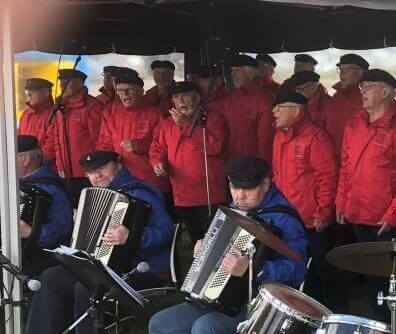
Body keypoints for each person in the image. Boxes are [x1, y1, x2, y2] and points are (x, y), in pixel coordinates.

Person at [149, 156, 307, 334]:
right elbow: (214, 252)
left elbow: (298, 268)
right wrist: (202, 248)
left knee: (204, 329)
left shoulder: (283, 217)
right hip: (215, 297)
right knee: (161, 325)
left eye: (248, 189)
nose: (241, 196)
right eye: (235, 188)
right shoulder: (231, 211)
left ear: (267, 184)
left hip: (259, 305)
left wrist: (254, 269)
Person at [22, 150, 175, 334]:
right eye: (91, 173)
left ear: (118, 165)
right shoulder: (91, 195)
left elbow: (166, 230)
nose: (97, 176)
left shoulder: (142, 193)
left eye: (102, 169)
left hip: (136, 267)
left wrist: (133, 237)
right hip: (98, 264)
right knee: (51, 276)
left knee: (87, 286)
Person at [335, 68, 396, 334]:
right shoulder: (354, 122)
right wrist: (341, 201)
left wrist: (394, 214)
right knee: (372, 276)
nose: (362, 90)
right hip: (357, 214)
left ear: (386, 91)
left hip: (385, 219)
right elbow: (345, 167)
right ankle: (381, 330)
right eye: (362, 86)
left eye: (368, 86)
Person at [271, 88, 339, 309]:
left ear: (295, 110)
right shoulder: (279, 136)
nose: (274, 112)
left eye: (279, 108)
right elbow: (277, 176)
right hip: (287, 217)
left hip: (311, 217)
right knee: (297, 267)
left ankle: (336, 311)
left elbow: (327, 177)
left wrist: (323, 211)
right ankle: (306, 311)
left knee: (324, 268)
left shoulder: (316, 137)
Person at [151, 81, 229, 241]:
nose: (180, 102)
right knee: (192, 242)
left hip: (210, 194)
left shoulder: (213, 119)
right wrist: (158, 163)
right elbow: (157, 148)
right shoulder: (166, 123)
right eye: (176, 97)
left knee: (213, 242)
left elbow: (214, 147)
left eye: (185, 96)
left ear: (198, 97)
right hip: (182, 193)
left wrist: (187, 125)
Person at [96, 69, 168, 196]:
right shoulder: (110, 111)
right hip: (120, 179)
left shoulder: (155, 113)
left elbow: (162, 144)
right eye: (120, 90)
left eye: (130, 90)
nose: (125, 94)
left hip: (148, 178)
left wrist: (140, 145)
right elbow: (104, 142)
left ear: (140, 91)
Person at [42, 68, 104, 203]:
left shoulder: (92, 106)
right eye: (61, 82)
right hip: (66, 172)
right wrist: (60, 165)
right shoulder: (60, 107)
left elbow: (99, 139)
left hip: (87, 171)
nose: (63, 85)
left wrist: (94, 166)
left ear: (80, 83)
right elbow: (57, 139)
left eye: (68, 81)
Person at [14, 135, 73, 278]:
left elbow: (63, 231)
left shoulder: (52, 188)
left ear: (25, 159)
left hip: (44, 257)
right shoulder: (13, 183)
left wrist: (31, 232)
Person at [212, 54, 275, 163]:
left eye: (237, 70)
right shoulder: (232, 97)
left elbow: (266, 142)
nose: (232, 74)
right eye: (232, 70)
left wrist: (265, 173)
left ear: (250, 74)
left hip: (251, 168)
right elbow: (213, 107)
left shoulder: (264, 100)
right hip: (230, 164)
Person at [322, 53, 368, 158]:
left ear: (362, 73)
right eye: (341, 68)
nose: (342, 73)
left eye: (348, 69)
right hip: (330, 159)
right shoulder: (335, 98)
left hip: (354, 160)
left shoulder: (368, 99)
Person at [18, 77, 55, 147]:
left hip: (42, 158)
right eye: (27, 92)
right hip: (23, 157)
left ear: (46, 93)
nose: (28, 95)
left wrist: (36, 157)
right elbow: (18, 138)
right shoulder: (25, 114)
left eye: (33, 91)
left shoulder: (54, 115)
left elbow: (52, 146)